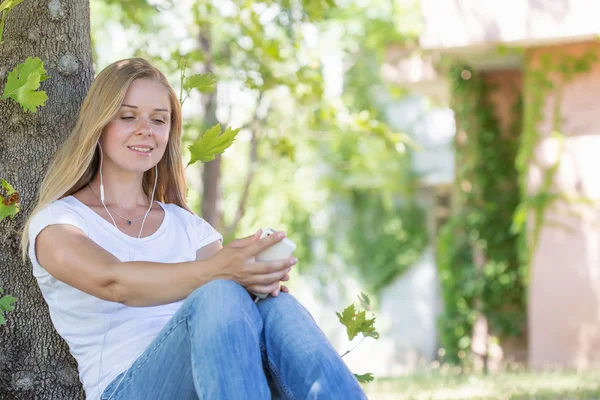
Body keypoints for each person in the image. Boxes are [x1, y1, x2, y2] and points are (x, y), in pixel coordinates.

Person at [20, 58, 366, 400]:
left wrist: (255, 280)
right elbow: (113, 281)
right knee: (218, 291)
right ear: (99, 124)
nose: (146, 129)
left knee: (277, 306)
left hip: (213, 378)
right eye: (128, 116)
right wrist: (222, 273)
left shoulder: (188, 227)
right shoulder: (59, 222)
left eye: (159, 119)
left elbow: (232, 307)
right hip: (127, 388)